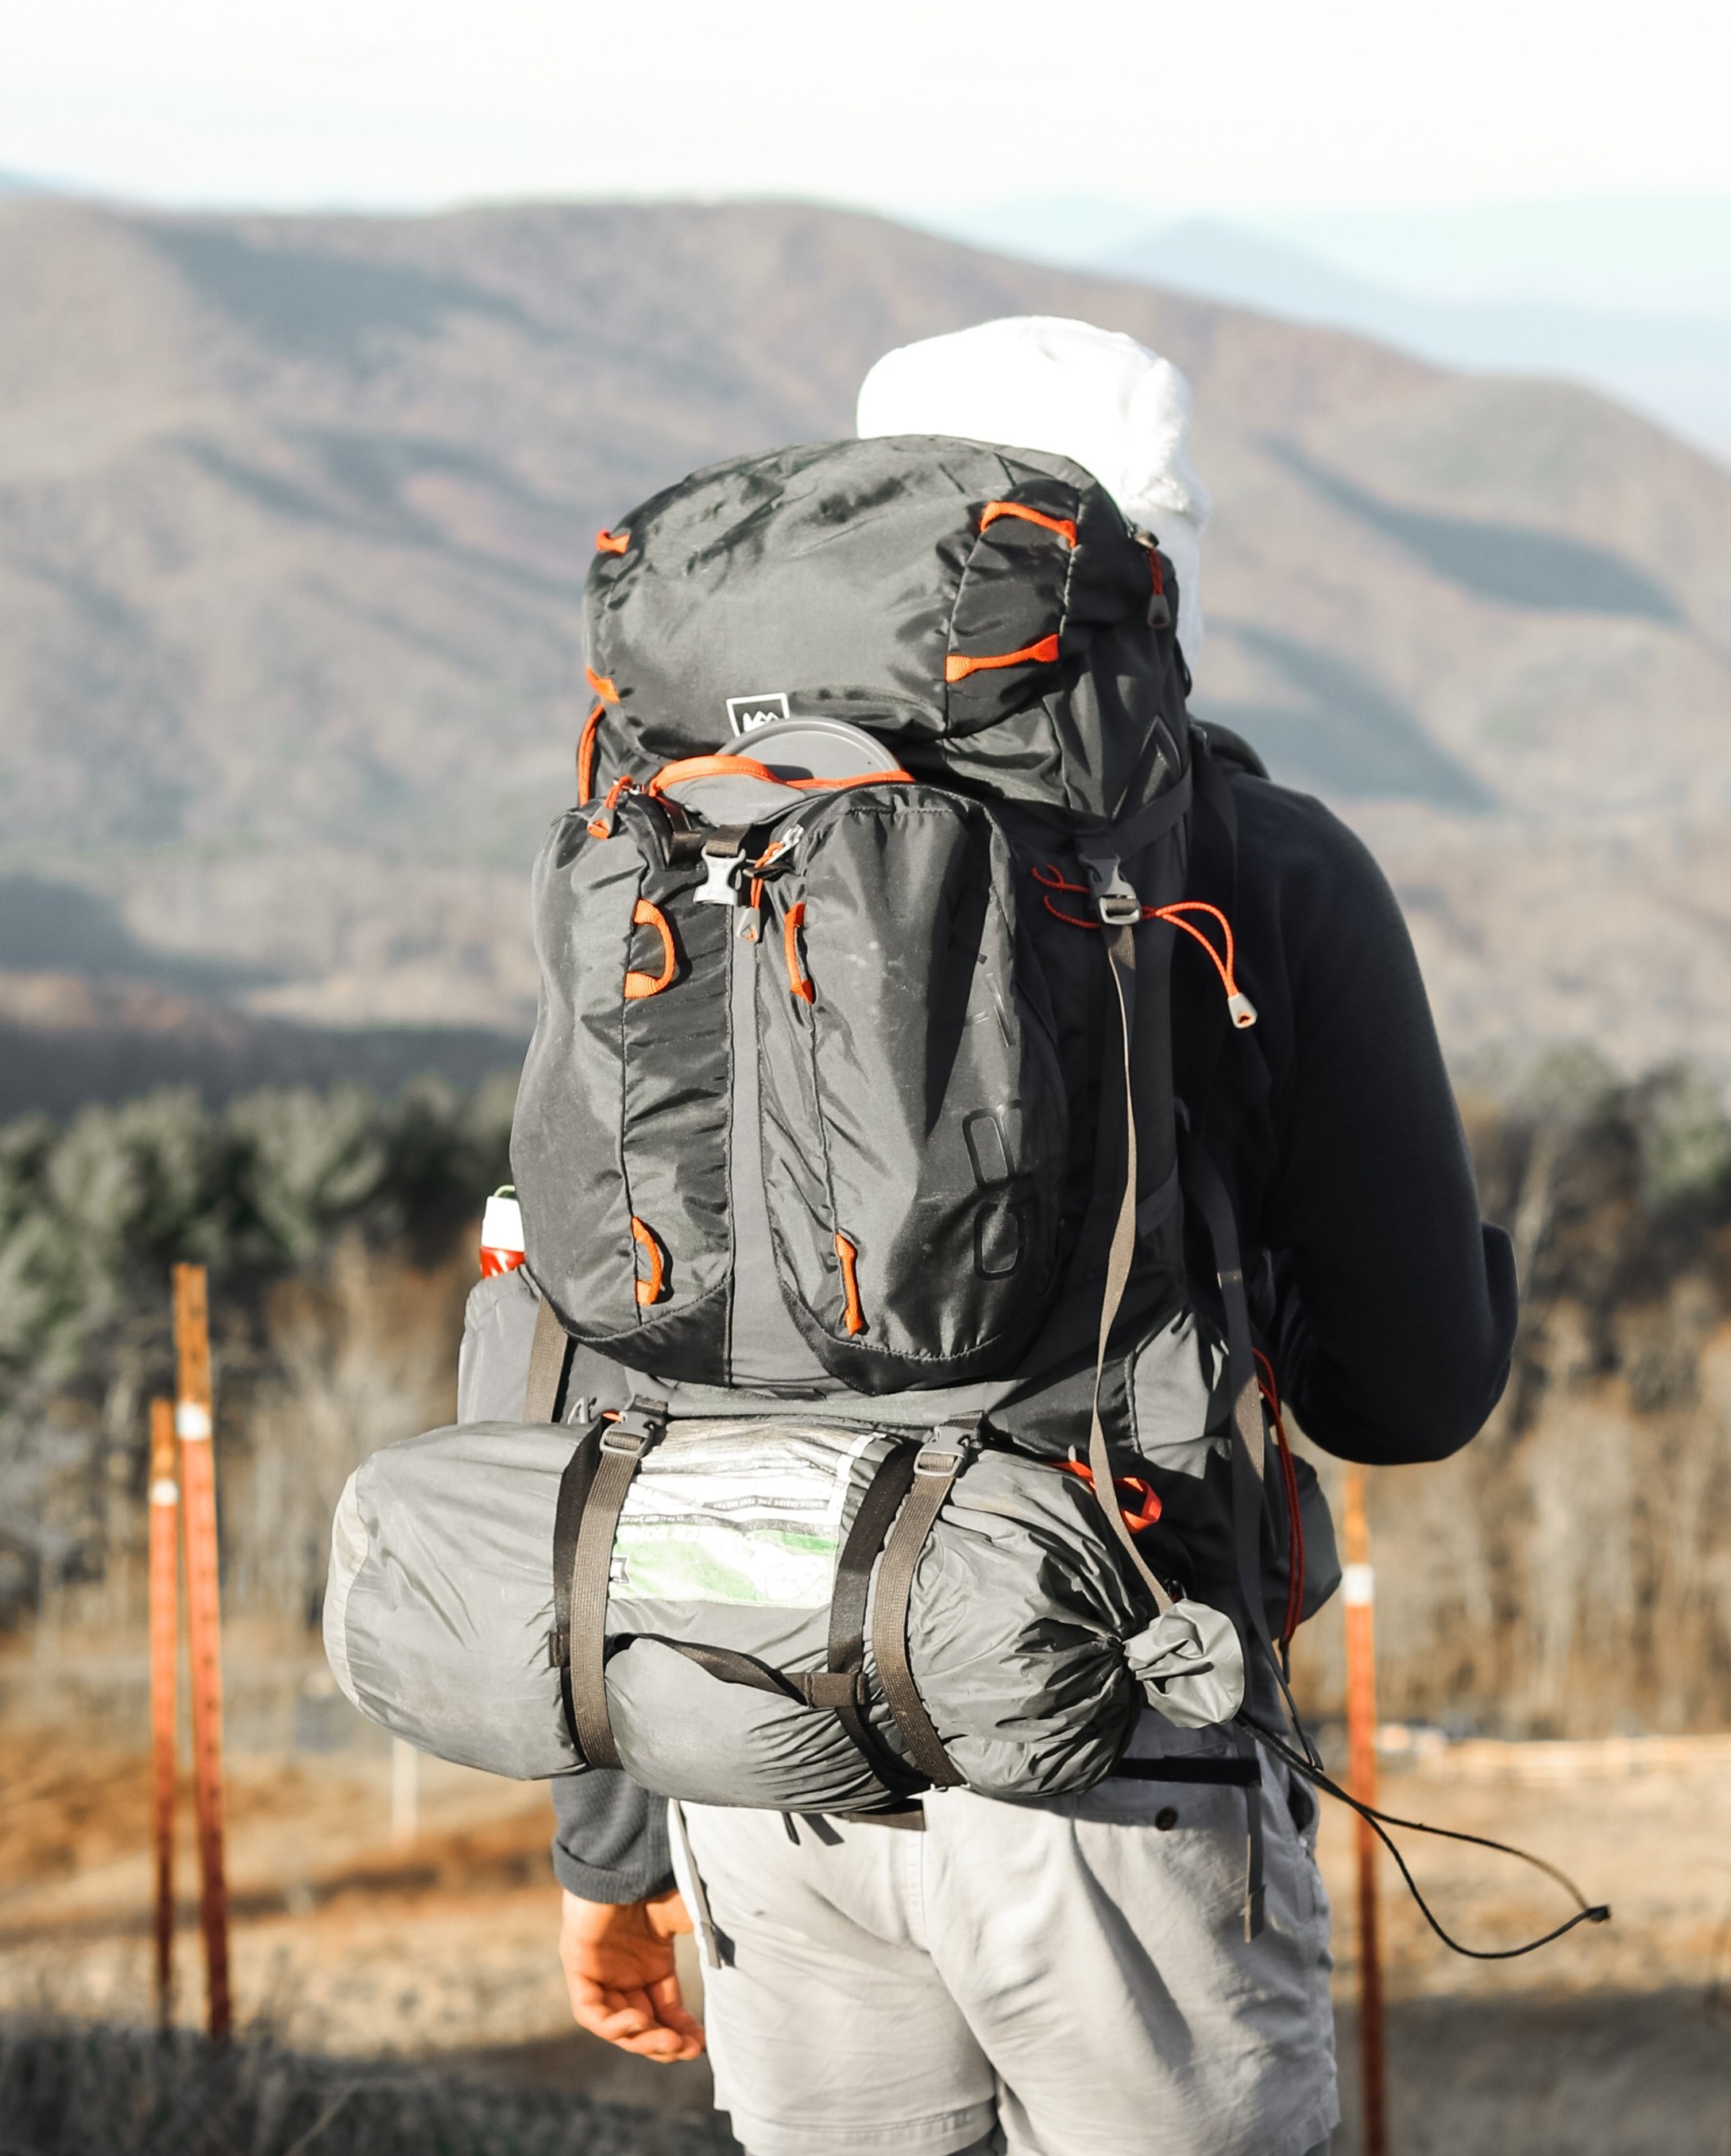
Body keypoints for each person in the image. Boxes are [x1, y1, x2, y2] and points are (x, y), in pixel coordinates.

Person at [549, 316, 1518, 2156]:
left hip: (748, 1746)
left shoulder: (685, 849)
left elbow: (607, 1326)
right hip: (1110, 1730)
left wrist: (606, 1839)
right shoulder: (1260, 863)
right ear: (1153, 569)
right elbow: (1406, 1388)